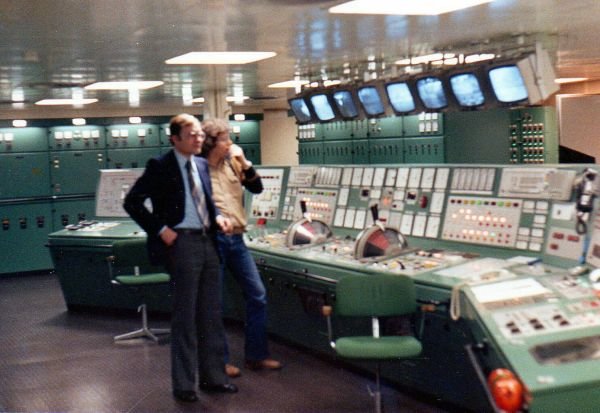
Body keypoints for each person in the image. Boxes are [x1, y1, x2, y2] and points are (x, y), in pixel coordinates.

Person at [123, 113, 238, 403]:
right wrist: (161, 230)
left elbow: (207, 202)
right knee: (185, 316)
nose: (198, 139)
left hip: (208, 240)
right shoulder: (160, 166)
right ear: (175, 139)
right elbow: (132, 202)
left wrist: (219, 217)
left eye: (200, 134)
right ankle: (184, 385)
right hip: (181, 243)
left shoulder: (201, 164)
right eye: (191, 135)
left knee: (211, 314)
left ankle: (214, 378)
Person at [201, 117, 282, 377]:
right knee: (215, 302)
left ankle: (256, 355)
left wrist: (245, 162)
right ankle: (219, 361)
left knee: (257, 294)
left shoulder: (233, 163)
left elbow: (257, 188)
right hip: (212, 240)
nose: (229, 143)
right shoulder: (198, 169)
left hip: (236, 239)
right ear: (212, 143)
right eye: (224, 139)